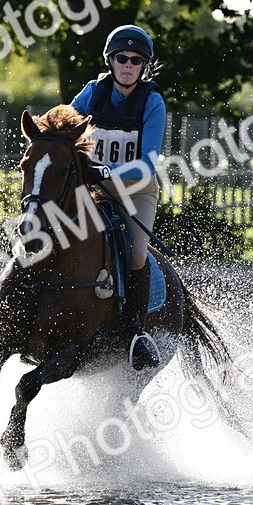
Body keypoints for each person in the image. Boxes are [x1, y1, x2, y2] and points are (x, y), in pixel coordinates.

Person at [70, 24, 166, 370]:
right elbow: (64, 126)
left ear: (145, 66)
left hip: (135, 190)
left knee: (136, 253)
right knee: (42, 217)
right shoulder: (92, 94)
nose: (128, 65)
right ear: (110, 61)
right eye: (121, 58)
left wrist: (107, 173)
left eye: (136, 60)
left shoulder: (152, 102)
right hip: (91, 187)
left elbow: (149, 162)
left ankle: (137, 333)